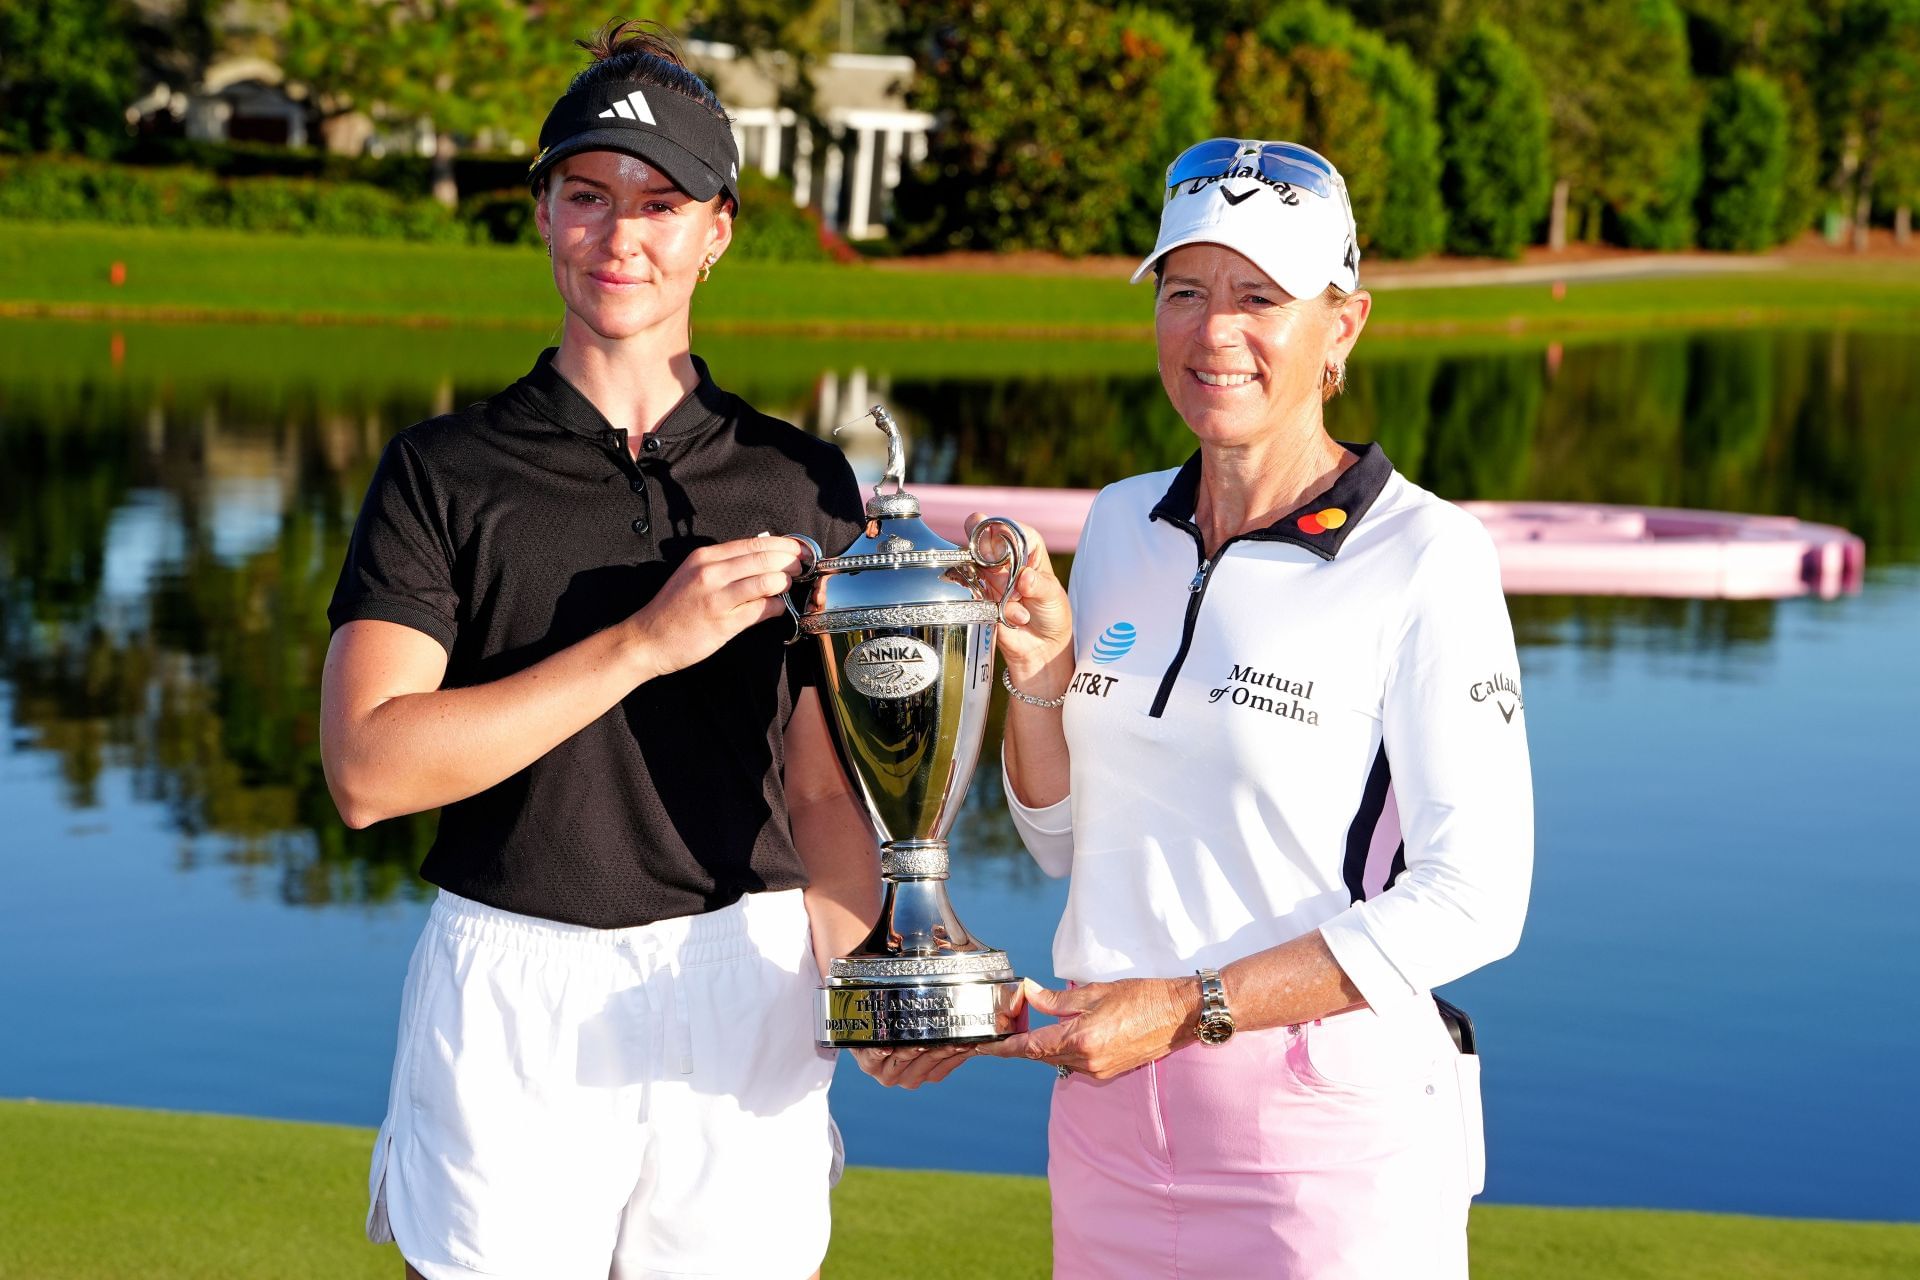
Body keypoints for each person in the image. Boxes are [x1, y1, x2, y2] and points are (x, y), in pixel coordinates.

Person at [320, 22, 891, 1280]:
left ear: (719, 230)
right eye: (588, 196)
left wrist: (872, 972)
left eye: (661, 201)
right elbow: (368, 768)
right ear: (542, 212)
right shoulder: (443, 471)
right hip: (517, 972)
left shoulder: (800, 479)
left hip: (745, 967)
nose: (621, 235)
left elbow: (818, 783)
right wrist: (640, 641)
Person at [974, 139, 1535, 1278]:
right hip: (1109, 1131)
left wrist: (1189, 1007)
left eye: (1259, 297)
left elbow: (1478, 899)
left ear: (1343, 323)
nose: (1213, 331)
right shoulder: (1123, 522)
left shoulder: (1425, 554)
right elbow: (1060, 841)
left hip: (1327, 1140)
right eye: (1185, 291)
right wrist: (1038, 674)